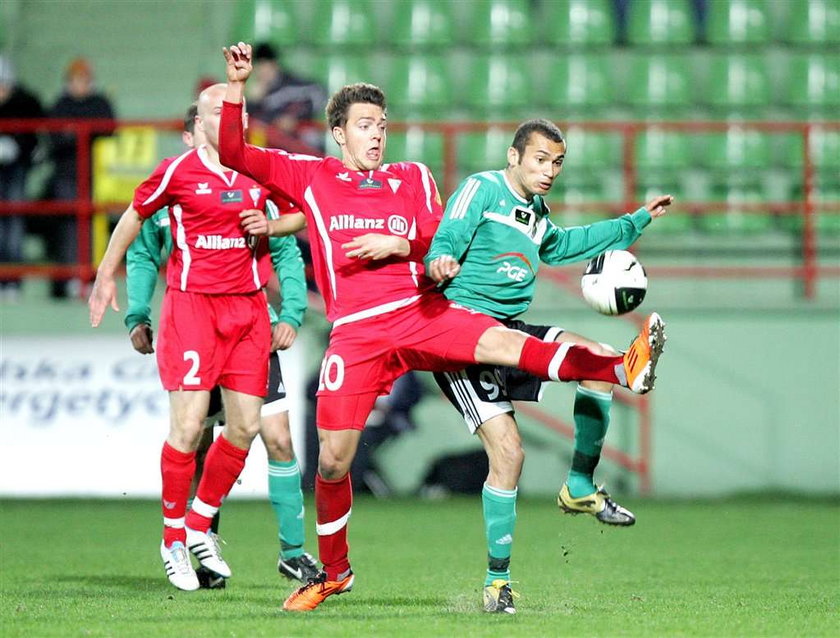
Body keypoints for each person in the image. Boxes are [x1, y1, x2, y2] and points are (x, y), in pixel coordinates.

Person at [218, 41, 666, 613]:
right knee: (332, 460)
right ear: (337, 133)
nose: (376, 134)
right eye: (363, 125)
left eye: (381, 124)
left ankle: (618, 368)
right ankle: (334, 572)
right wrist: (237, 87)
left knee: (505, 341)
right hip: (355, 331)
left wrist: (405, 245)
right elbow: (232, 149)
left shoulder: (412, 177)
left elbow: (442, 232)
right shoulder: (309, 176)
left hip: (419, 313)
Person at [424, 118, 672, 613]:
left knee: (596, 357)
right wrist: (442, 258)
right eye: (540, 159)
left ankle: (579, 485)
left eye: (557, 162)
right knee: (511, 455)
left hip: (510, 329)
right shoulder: (483, 187)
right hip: (464, 336)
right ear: (514, 156)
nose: (549, 170)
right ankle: (497, 585)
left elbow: (563, 245)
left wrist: (635, 221)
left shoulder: (536, 212)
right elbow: (451, 230)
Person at [89, 83, 291, 592]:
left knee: (245, 428)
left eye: (235, 119)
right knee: (189, 428)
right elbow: (134, 217)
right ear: (199, 125)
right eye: (217, 118)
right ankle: (172, 538)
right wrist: (104, 275)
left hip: (248, 312)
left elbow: (306, 209)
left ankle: (199, 524)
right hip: (193, 308)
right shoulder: (178, 173)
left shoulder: (258, 168)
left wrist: (271, 228)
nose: (228, 127)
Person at [44, 57, 115, 298]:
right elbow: (55, 137)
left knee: (93, 225)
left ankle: (92, 276)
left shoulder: (99, 103)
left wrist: (75, 132)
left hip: (98, 174)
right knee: (68, 226)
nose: (80, 85)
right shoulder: (60, 104)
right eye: (76, 80)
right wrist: (80, 134)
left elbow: (108, 128)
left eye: (84, 80)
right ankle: (71, 276)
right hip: (67, 175)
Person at [0, 55, 45, 301]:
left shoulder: (25, 101)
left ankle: (13, 279)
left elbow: (36, 135)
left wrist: (17, 147)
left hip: (17, 170)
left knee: (14, 221)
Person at [247, 42, 327, 155]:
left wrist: (294, 118)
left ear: (274, 64)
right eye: (259, 67)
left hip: (303, 143)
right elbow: (251, 123)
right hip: (276, 150)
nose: (262, 72)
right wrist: (253, 102)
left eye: (265, 66)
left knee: (311, 137)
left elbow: (319, 95)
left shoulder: (294, 84)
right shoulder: (259, 94)